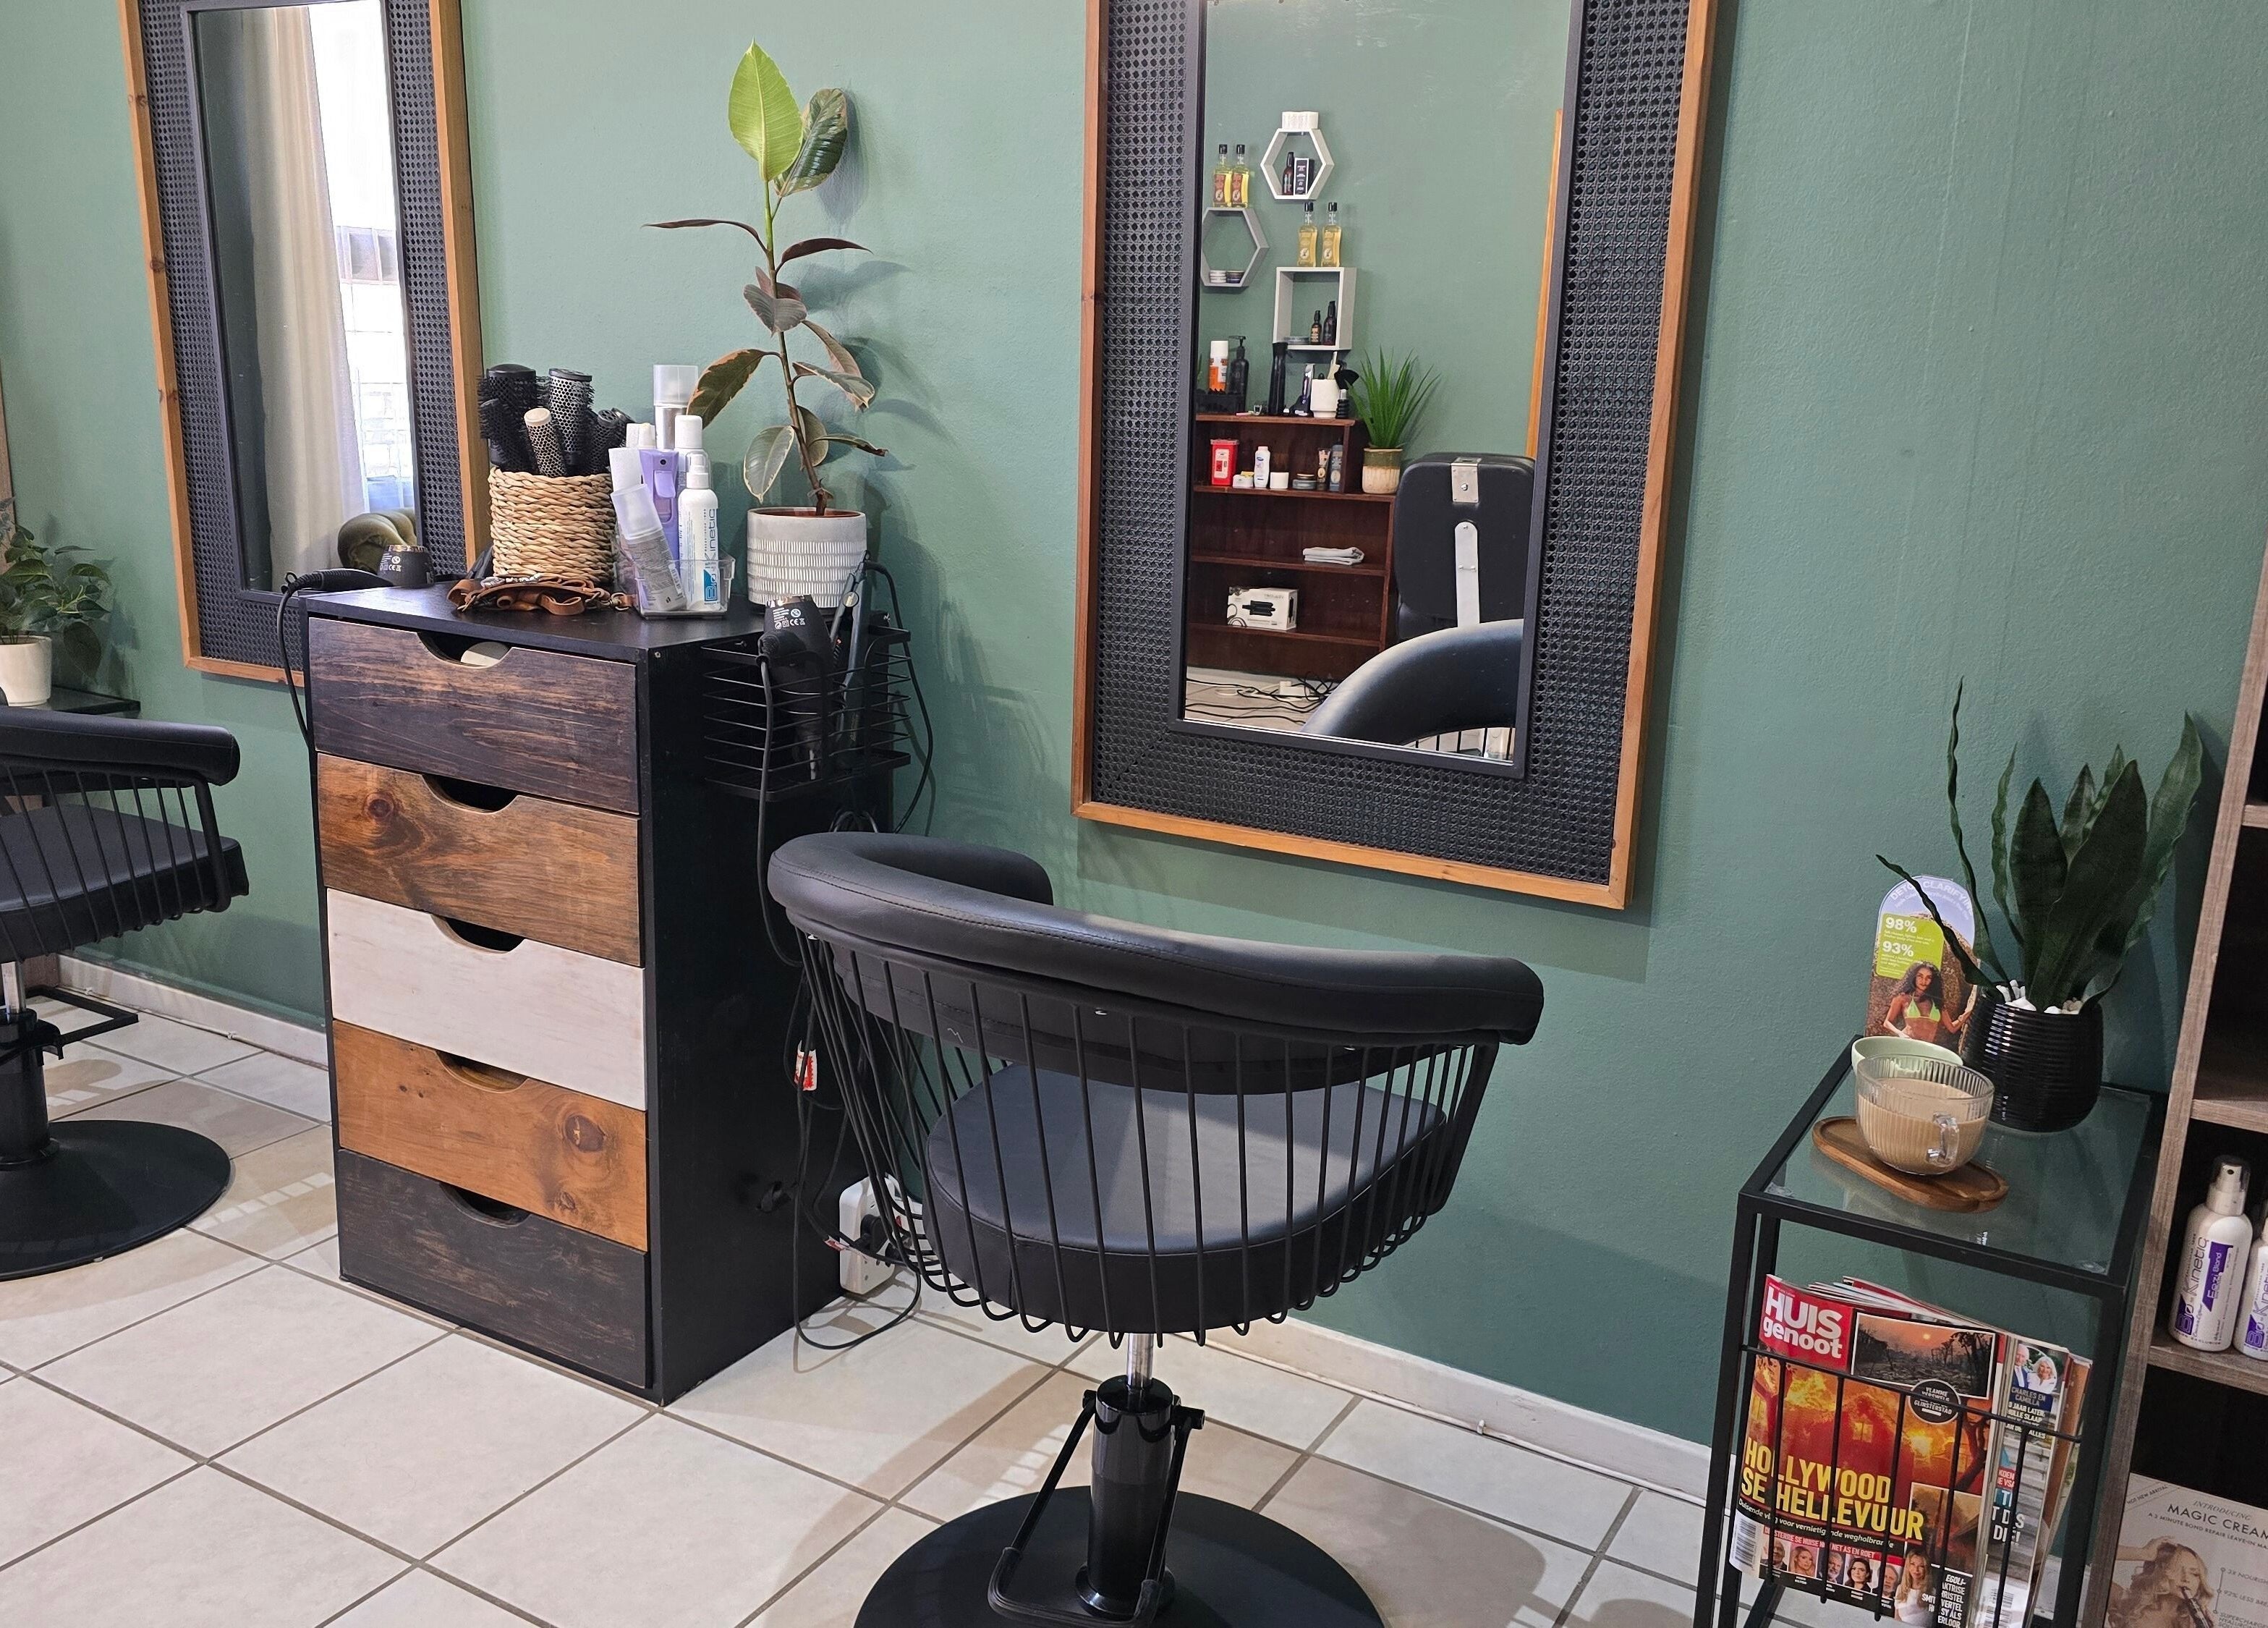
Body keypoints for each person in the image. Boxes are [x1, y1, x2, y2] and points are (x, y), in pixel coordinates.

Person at [2111, 1541, 2214, 1628]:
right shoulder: (2127, 1602)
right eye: (2177, 1570)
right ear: (2159, 1571)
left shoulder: (2193, 1623)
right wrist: (2144, 1553)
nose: (2186, 1579)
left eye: (2195, 1574)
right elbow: (2098, 1556)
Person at [1884, 962, 1970, 1048]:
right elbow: (1887, 1022)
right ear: (1914, 977)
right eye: (1920, 976)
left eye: (1928, 978)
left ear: (1933, 980)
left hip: (1926, 1048)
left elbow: (1952, 1028)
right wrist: (1900, 1034)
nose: (1923, 981)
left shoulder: (1937, 1001)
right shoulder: (1903, 998)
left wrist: (1968, 1013)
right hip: (1906, 1044)